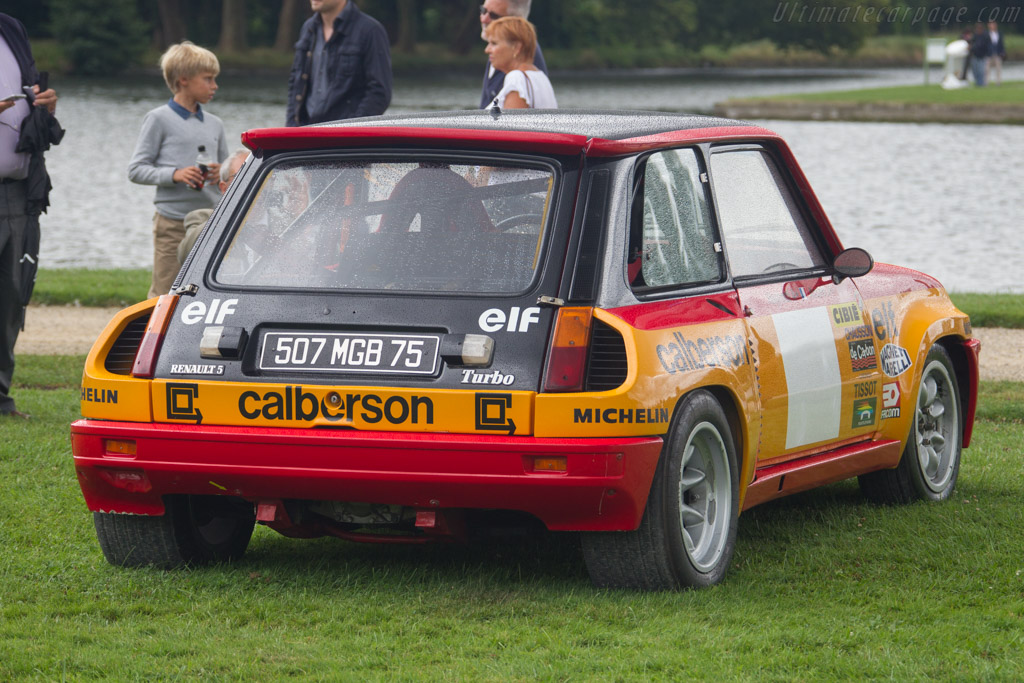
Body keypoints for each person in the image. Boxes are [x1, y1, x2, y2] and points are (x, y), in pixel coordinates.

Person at [128, 42, 228, 299]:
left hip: (211, 222)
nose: (214, 85)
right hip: (172, 223)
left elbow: (230, 173)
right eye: (208, 79)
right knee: (164, 295)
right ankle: (155, 339)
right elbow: (136, 170)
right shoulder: (158, 119)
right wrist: (175, 174)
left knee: (208, 294)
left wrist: (221, 174)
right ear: (183, 80)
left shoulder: (215, 124)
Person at [0, 13, 60, 420]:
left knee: (11, 295)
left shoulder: (11, 28)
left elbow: (31, 92)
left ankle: (0, 396)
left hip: (21, 189)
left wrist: (47, 105)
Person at [286, 0, 392, 126]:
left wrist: (351, 130)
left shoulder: (371, 31)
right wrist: (291, 128)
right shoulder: (308, 28)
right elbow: (295, 82)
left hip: (345, 139)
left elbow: (379, 93)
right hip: (305, 132)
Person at [177, 149, 249, 265]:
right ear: (225, 189)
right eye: (240, 176)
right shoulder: (202, 218)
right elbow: (185, 256)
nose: (250, 183)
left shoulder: (281, 221)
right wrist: (227, 216)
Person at [479, 0, 547, 109]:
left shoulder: (517, 78)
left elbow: (511, 125)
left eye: (494, 16)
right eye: (483, 10)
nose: (483, 18)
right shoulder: (538, 76)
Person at [484, 16, 557, 109]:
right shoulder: (540, 76)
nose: (487, 50)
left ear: (517, 47)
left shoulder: (516, 78)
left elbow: (511, 123)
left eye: (494, 43)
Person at [969, 22, 990, 87]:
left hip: (982, 56)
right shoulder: (975, 35)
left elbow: (981, 45)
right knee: (975, 71)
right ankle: (978, 82)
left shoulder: (985, 35)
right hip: (975, 56)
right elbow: (971, 42)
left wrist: (972, 47)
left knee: (981, 71)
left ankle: (980, 84)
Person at [986, 20, 1006, 86]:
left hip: (997, 54)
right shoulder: (986, 34)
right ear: (988, 25)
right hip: (989, 54)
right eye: (991, 24)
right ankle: (987, 82)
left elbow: (1001, 44)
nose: (992, 26)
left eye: (994, 24)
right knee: (987, 69)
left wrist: (1003, 52)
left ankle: (998, 82)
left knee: (998, 69)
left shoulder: (999, 33)